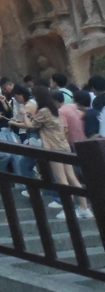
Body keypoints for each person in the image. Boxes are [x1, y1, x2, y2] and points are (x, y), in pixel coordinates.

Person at [31, 85, 92, 220]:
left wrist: (25, 114)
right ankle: (84, 208)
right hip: (64, 145)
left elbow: (32, 125)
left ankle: (68, 209)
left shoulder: (43, 111)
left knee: (61, 180)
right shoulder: (55, 109)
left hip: (53, 147)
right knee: (72, 177)